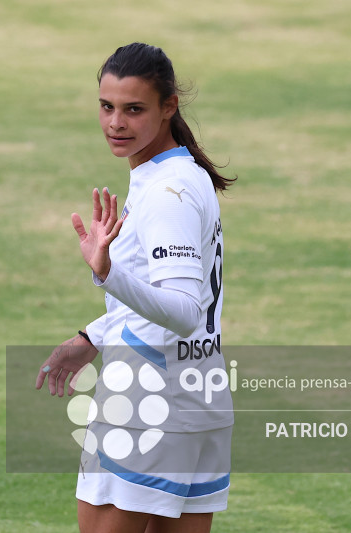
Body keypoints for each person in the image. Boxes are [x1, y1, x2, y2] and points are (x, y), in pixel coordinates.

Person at [35, 42, 236, 533]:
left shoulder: (168, 193)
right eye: (107, 107)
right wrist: (93, 337)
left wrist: (107, 274)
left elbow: (185, 309)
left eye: (134, 109)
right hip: (198, 396)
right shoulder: (181, 177)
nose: (116, 123)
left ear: (169, 106)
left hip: (149, 403)